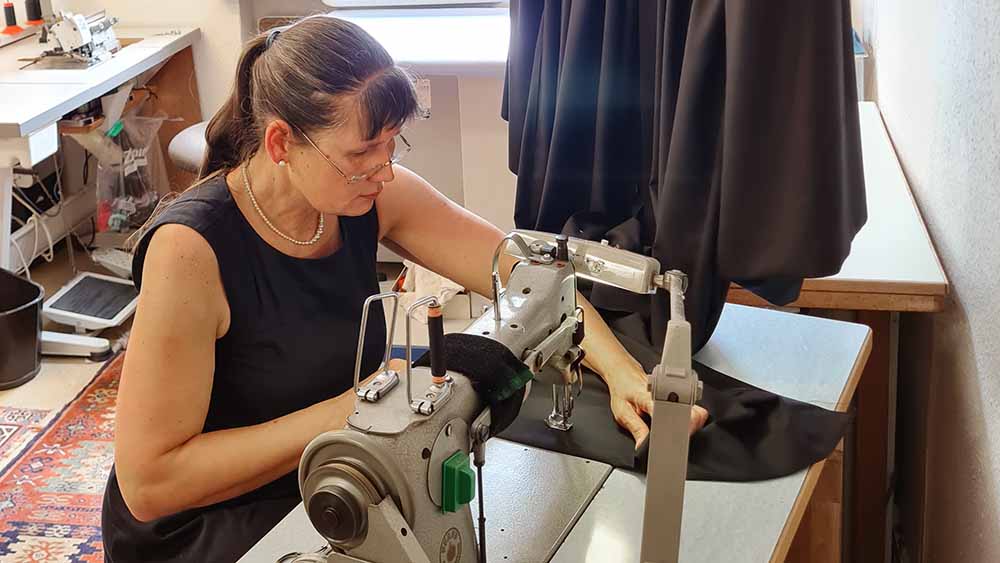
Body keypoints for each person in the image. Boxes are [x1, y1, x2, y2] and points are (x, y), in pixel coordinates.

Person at [101, 15, 708, 562]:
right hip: (212, 525)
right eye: (364, 152)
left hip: (334, 468)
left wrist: (621, 370)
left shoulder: (368, 193)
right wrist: (361, 406)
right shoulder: (190, 251)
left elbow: (523, 272)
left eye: (393, 144)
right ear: (282, 143)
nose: (385, 170)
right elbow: (152, 484)